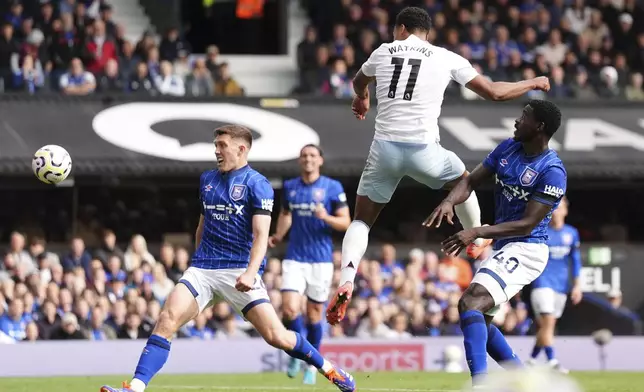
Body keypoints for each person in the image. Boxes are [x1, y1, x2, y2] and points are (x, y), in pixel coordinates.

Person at [326, 6, 551, 325]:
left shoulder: (383, 51)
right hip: (424, 150)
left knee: (362, 220)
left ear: (401, 29)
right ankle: (475, 240)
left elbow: (358, 80)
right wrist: (534, 82)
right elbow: (494, 93)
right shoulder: (446, 57)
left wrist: (362, 97)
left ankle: (347, 277)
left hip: (385, 149)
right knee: (464, 179)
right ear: (424, 32)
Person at [100, 125, 356, 392]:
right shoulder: (207, 179)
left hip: (239, 271)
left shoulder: (258, 184)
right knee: (166, 318)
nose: (216, 150)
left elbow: (260, 236)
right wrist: (196, 264)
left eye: (222, 145)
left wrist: (250, 272)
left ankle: (330, 369)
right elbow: (202, 224)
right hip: (203, 268)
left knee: (276, 337)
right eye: (216, 145)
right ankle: (136, 387)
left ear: (241, 148)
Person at [424, 100, 566, 387]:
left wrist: (476, 231)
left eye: (524, 116)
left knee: (470, 302)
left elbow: (527, 223)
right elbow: (470, 180)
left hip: (528, 248)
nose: (516, 120)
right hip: (505, 246)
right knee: (480, 321)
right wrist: (450, 201)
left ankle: (480, 384)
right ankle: (524, 380)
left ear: (539, 126)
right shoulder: (507, 148)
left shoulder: (552, 171)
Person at [268, 144, 351, 384]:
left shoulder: (332, 187)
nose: (308, 159)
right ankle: (297, 351)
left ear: (320, 161)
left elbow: (346, 222)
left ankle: (312, 365)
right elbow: (285, 214)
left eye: (313, 155)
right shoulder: (291, 186)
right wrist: (278, 235)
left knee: (315, 315)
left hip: (321, 260)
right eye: (304, 156)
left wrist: (326, 217)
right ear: (299, 160)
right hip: (295, 257)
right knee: (290, 309)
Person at [527, 196, 582, 372]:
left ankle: (531, 360)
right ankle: (552, 362)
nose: (557, 211)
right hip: (542, 284)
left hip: (561, 286)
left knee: (547, 326)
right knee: (548, 322)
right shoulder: (541, 232)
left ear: (566, 210)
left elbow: (575, 259)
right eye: (554, 208)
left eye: (560, 208)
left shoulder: (571, 233)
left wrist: (577, 285)